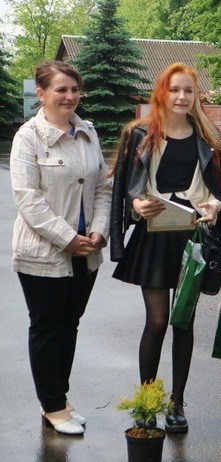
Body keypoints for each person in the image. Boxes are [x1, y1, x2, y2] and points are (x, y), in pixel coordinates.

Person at [109, 63, 221, 433]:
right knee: (158, 320)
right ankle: (148, 401)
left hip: (193, 239)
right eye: (175, 90)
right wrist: (135, 205)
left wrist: (215, 206)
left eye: (189, 91)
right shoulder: (139, 135)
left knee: (183, 320)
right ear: (162, 92)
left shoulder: (209, 137)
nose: (182, 97)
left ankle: (177, 403)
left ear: (197, 96)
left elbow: (219, 190)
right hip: (154, 237)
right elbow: (125, 188)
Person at [10, 61, 111, 435]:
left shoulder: (88, 132)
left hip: (87, 253)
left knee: (69, 325)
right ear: (41, 94)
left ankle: (60, 398)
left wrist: (99, 232)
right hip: (44, 253)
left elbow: (102, 187)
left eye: (74, 89)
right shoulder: (28, 137)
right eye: (61, 90)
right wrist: (68, 238)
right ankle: (52, 406)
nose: (70, 96)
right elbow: (28, 199)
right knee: (48, 328)